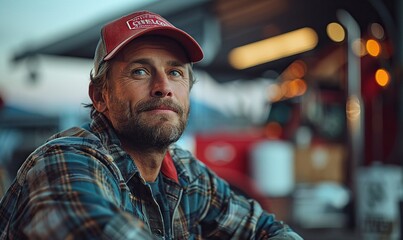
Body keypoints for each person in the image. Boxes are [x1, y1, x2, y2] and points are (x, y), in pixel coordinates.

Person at [0, 10, 303, 239]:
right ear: (100, 96)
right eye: (140, 71)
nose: (163, 87)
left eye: (175, 72)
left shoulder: (185, 172)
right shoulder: (65, 160)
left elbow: (264, 227)